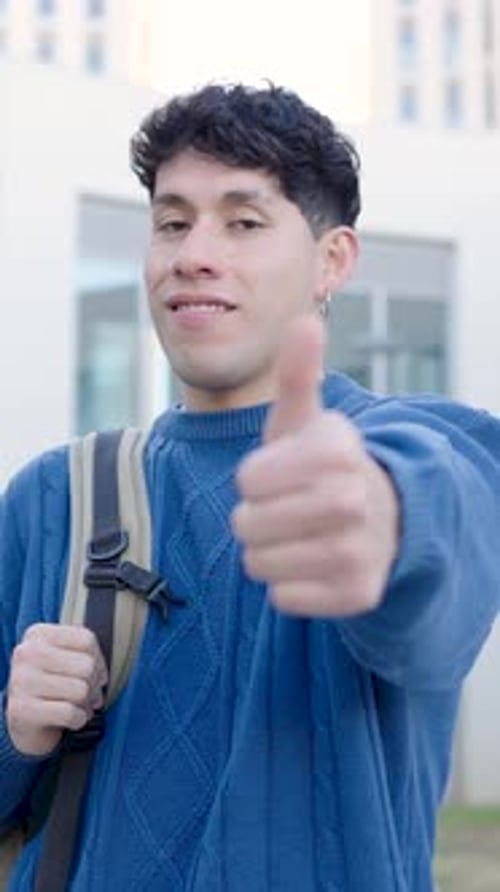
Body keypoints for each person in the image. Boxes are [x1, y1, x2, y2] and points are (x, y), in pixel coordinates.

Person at [1, 82, 499, 892]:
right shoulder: (54, 499)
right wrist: (15, 732)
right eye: (171, 221)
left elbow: (443, 532)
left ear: (331, 261)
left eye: (243, 221)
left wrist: (382, 518)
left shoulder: (428, 449)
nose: (195, 252)